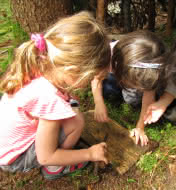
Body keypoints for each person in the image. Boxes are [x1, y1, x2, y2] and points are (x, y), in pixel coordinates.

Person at [0, 11, 110, 180]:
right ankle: (54, 168)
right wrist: (89, 153)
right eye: (90, 78)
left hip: (6, 144)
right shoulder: (49, 98)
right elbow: (45, 156)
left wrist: (68, 97)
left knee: (72, 110)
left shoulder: (40, 61)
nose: (89, 82)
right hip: (15, 158)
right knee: (76, 121)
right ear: (72, 71)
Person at [91, 30, 167, 146]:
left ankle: (131, 91)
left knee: (132, 100)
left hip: (123, 71)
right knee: (108, 91)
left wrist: (140, 127)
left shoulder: (150, 69)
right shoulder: (106, 56)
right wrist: (98, 102)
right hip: (112, 73)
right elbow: (96, 79)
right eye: (133, 83)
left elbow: (148, 97)